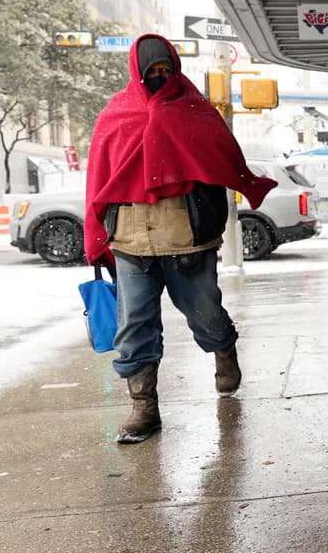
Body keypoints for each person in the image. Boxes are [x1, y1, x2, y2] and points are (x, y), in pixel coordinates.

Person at [84, 34, 277, 445]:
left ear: (175, 70)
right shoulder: (115, 115)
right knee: (134, 326)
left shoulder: (196, 111)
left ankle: (224, 351)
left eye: (164, 71)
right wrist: (95, 236)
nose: (158, 78)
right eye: (150, 72)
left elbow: (223, 157)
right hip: (131, 241)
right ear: (137, 73)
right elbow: (98, 180)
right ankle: (144, 409)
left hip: (186, 237)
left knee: (205, 314)